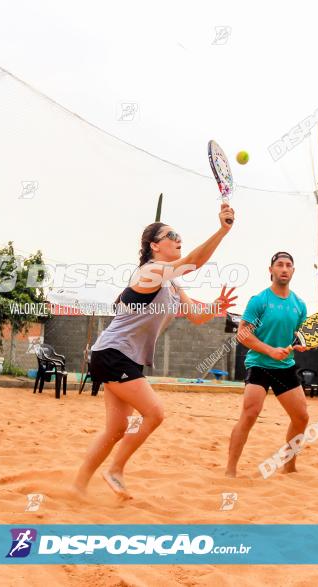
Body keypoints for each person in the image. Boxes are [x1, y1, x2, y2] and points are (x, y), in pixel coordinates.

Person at [73, 204, 237, 500]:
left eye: (178, 234)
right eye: (171, 235)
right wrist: (223, 230)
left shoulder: (172, 284)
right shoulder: (149, 272)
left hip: (122, 358)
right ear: (154, 246)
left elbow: (196, 316)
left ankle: (77, 486)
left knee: (116, 430)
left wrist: (215, 307)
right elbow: (193, 262)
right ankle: (115, 470)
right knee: (155, 413)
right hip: (113, 354)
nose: (178, 238)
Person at [225, 251, 309, 477]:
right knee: (250, 413)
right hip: (259, 365)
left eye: (288, 265)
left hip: (285, 367)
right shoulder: (259, 301)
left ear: (293, 271)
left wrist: (301, 344)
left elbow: (299, 336)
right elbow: (243, 334)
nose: (284, 269)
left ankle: (289, 466)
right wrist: (271, 351)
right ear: (270, 270)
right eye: (279, 265)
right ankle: (230, 470)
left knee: (301, 417)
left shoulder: (299, 305)